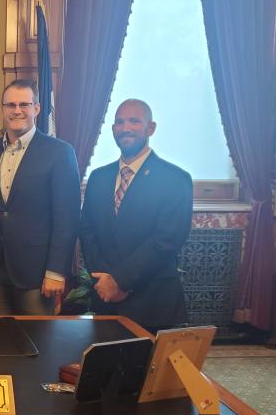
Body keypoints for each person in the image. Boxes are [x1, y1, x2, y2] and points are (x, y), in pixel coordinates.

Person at [79, 99, 193, 331]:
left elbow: (167, 239)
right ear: (113, 130)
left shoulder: (176, 179)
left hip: (152, 301)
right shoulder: (98, 178)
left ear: (150, 128)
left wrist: (120, 281)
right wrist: (106, 280)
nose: (125, 128)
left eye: (134, 121)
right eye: (119, 122)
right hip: (105, 300)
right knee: (103, 366)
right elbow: (87, 230)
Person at [0, 79, 81, 315]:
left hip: (37, 275)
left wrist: (55, 271)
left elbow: (67, 218)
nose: (17, 110)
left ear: (37, 108)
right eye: (10, 105)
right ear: (2, 109)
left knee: (39, 346)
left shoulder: (59, 152)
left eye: (24, 104)